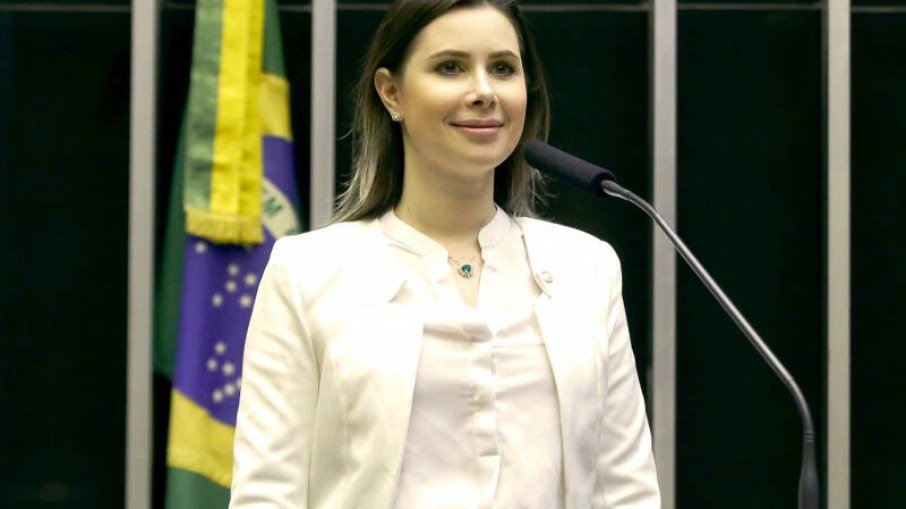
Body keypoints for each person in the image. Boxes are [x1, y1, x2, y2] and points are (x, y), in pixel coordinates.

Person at [229, 0, 660, 508]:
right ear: (391, 92)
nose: (483, 92)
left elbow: (627, 490)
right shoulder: (307, 270)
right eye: (450, 67)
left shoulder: (587, 267)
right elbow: (267, 494)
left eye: (502, 68)